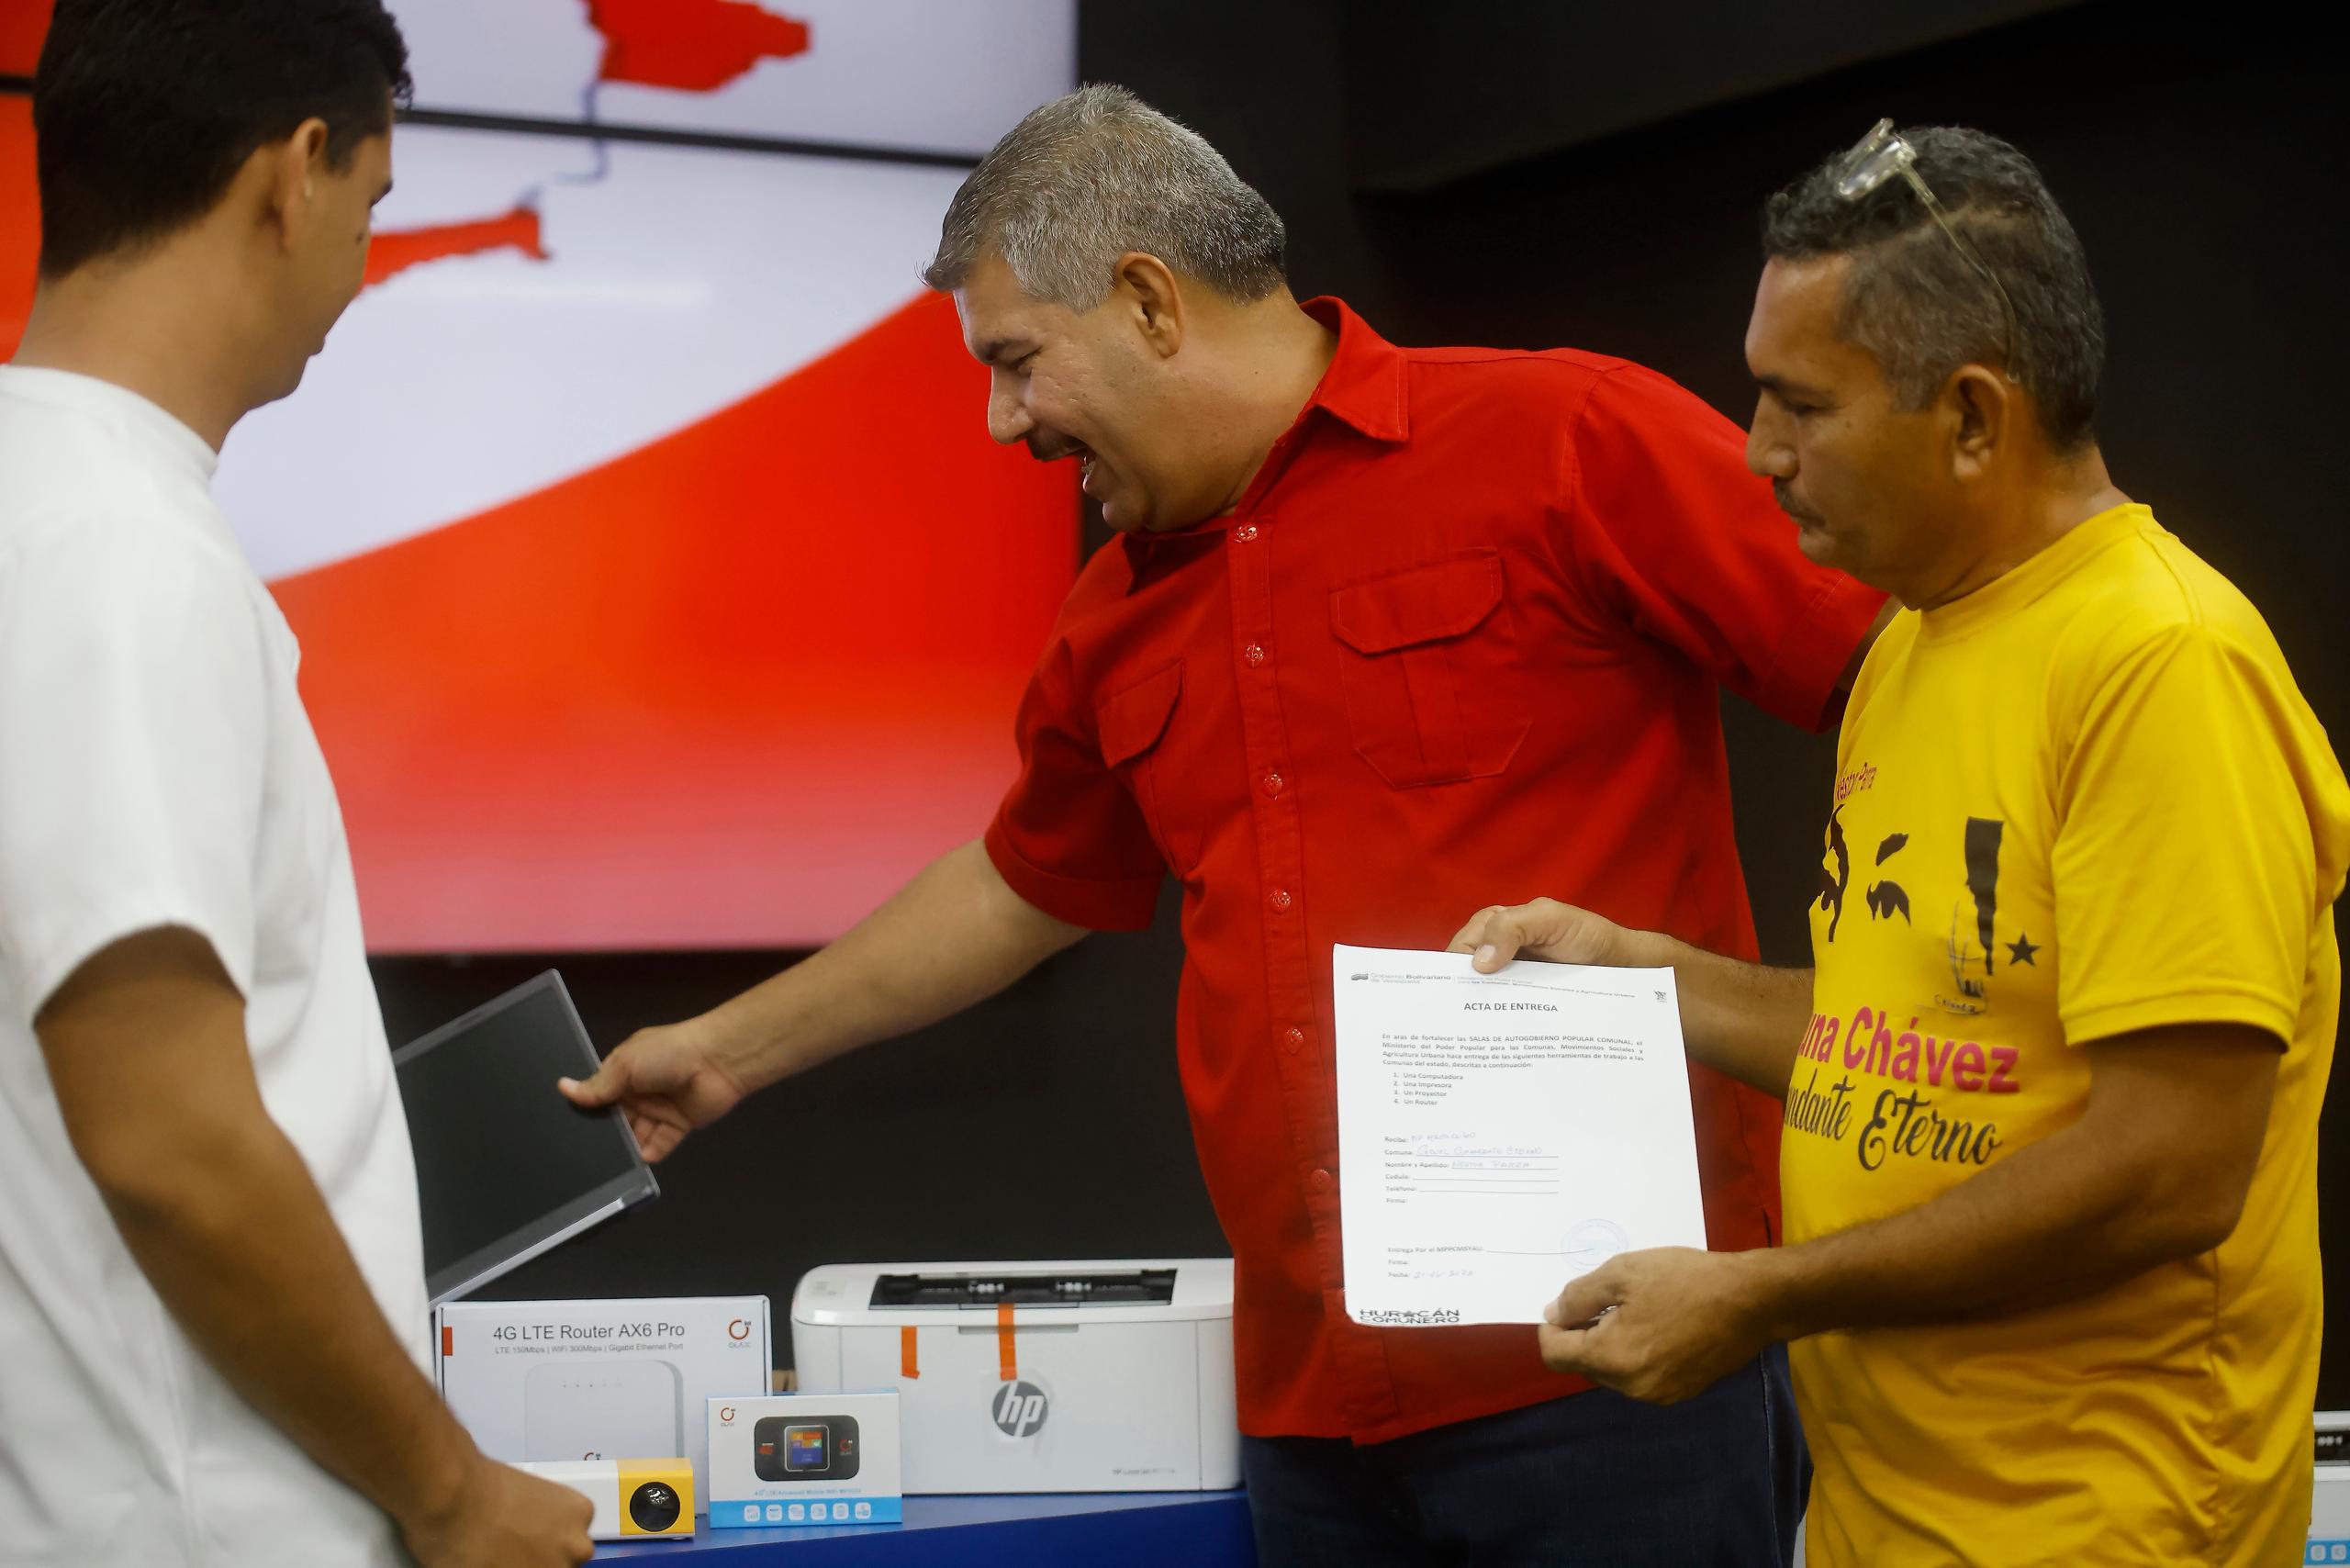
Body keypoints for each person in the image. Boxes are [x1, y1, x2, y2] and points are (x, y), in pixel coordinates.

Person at [565, 85, 1884, 1566]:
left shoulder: (1561, 436)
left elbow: (1900, 668)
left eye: (1014, 361)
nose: (1002, 422)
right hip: (1314, 1416)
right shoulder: (1110, 617)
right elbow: (1018, 886)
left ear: (1149, 302)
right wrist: (728, 1050)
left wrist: (1901, 1019)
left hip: (1612, 1367)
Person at [1453, 122, 2348, 1566]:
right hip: (1887, 1523)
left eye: (1800, 404)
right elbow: (1918, 1041)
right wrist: (1634, 977)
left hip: (2103, 1535)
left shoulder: (2161, 662)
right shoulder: (1914, 645)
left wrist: (1763, 1295)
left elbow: (2172, 1164)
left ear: (1975, 418)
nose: (1760, 450)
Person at [0, 4, 594, 1564]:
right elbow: (167, 1138)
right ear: (296, 171)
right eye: (372, 204)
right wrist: (452, 1492)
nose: (358, 262)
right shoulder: (121, 551)